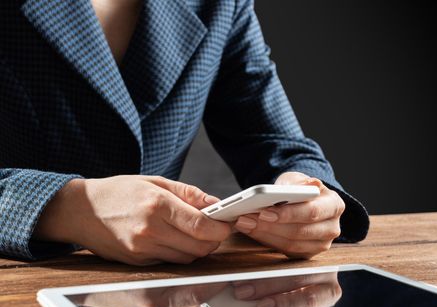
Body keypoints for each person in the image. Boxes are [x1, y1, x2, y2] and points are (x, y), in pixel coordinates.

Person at [0, 0, 368, 265]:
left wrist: (309, 194)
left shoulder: (222, 4)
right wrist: (69, 209)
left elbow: (278, 146)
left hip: (166, 305)